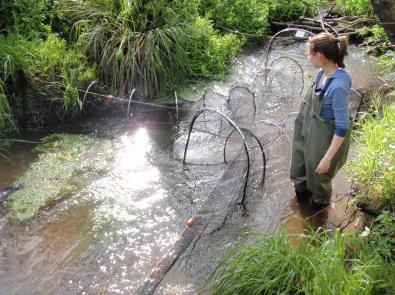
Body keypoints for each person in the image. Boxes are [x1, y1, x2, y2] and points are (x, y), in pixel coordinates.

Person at [290, 33, 352, 210]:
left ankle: (318, 217)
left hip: (324, 139)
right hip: (307, 129)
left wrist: (327, 158)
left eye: (309, 54)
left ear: (319, 56)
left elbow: (342, 127)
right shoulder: (320, 73)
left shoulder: (338, 86)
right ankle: (300, 205)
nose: (307, 58)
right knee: (299, 170)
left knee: (319, 182)